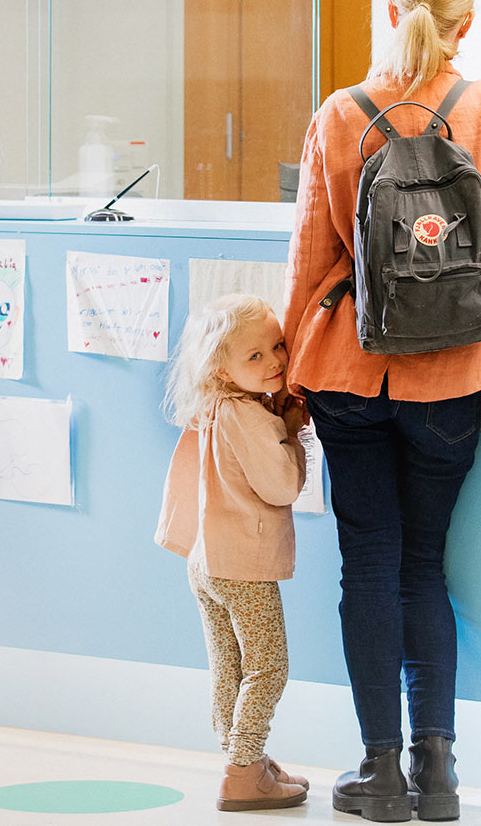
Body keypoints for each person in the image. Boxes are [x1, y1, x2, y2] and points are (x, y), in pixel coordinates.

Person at [282, 0, 481, 822]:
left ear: (391, 15)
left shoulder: (340, 115)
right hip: (455, 375)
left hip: (350, 372)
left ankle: (378, 774)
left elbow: (310, 266)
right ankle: (440, 774)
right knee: (425, 566)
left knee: (368, 565)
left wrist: (293, 380)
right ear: (468, 24)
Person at [156, 294, 310, 812]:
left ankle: (240, 756)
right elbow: (282, 486)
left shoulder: (213, 408)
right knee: (268, 667)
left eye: (277, 347)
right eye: (255, 357)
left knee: (228, 665)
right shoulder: (252, 419)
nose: (275, 362)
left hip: (205, 561)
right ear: (221, 369)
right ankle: (244, 771)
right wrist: (292, 435)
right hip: (243, 564)